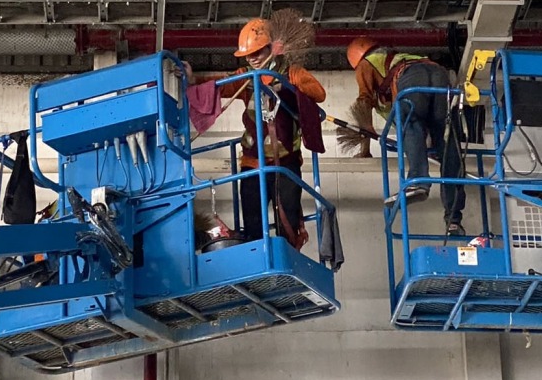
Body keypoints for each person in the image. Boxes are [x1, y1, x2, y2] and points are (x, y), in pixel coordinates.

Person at [196, 18, 327, 246]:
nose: (252, 58)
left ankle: (288, 252)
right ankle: (256, 252)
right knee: (253, 221)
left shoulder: (292, 73)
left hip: (286, 162)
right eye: (248, 55)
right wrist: (192, 80)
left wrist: (285, 85)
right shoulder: (244, 77)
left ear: (272, 48)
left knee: (288, 218)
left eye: (257, 52)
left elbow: (318, 93)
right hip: (253, 163)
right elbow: (221, 85)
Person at [346, 36, 466, 236]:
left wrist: (365, 146)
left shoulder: (365, 64)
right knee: (447, 142)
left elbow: (363, 101)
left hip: (413, 76)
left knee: (409, 120)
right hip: (440, 74)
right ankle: (453, 219)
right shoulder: (394, 58)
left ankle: (418, 181)